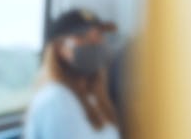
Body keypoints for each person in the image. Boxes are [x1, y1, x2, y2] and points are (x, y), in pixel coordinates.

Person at [24, 8, 120, 139]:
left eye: (98, 35)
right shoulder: (56, 100)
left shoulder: (89, 96)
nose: (94, 43)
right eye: (81, 36)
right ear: (59, 48)